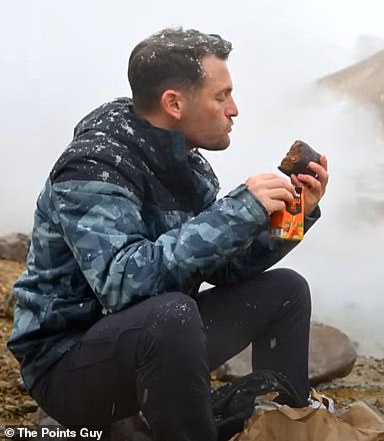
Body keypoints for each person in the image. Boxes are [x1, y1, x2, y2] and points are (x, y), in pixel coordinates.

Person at [7, 27, 328, 440]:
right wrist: (241, 209)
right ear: (174, 103)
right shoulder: (93, 165)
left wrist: (295, 214)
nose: (234, 110)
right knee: (171, 313)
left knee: (286, 290)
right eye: (221, 96)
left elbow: (225, 269)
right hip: (69, 365)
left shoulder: (191, 169)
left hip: (160, 343)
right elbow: (124, 283)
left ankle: (285, 426)